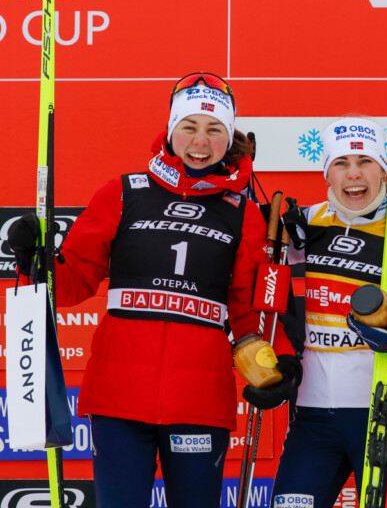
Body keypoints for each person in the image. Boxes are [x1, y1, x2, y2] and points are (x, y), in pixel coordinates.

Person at [7, 72, 292, 508]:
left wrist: (271, 367)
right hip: (119, 397)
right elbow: (72, 284)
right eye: (190, 127)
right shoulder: (122, 193)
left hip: (199, 401)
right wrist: (36, 260)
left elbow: (244, 312)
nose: (201, 141)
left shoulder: (245, 213)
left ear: (229, 136)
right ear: (171, 130)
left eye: (214, 129)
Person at [245, 117, 387, 508]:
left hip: (385, 412)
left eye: (365, 162)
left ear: (384, 169)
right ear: (327, 173)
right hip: (312, 416)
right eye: (341, 163)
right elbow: (252, 273)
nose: (353, 174)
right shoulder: (302, 226)